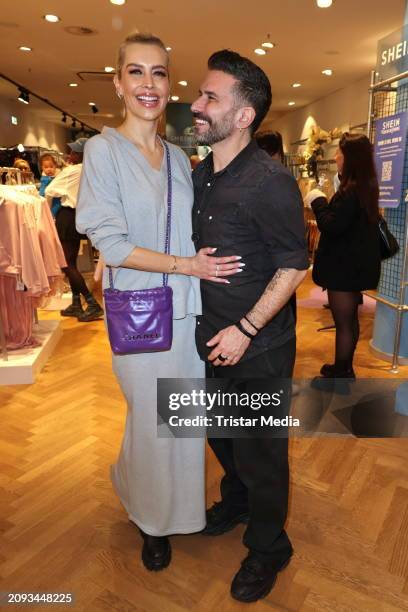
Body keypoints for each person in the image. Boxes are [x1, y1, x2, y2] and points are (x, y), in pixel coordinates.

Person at [76, 33, 242, 572]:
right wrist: (187, 265)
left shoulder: (178, 154)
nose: (149, 84)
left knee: (180, 418)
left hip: (187, 308)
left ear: (170, 83)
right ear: (119, 81)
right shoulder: (103, 150)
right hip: (141, 314)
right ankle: (150, 519)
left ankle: (175, 507)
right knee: (150, 417)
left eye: (160, 73)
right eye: (137, 72)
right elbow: (114, 244)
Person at [191, 50, 308, 603]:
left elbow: (293, 265)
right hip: (211, 336)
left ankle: (269, 546)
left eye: (210, 96)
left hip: (258, 346)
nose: (196, 103)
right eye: (200, 93)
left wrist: (247, 328)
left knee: (263, 451)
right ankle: (236, 501)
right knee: (221, 434)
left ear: (243, 116)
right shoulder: (201, 173)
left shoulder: (270, 181)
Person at [308, 133, 381, 378]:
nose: (336, 157)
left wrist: (318, 202)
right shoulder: (365, 186)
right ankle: (345, 365)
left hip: (344, 268)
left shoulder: (351, 191)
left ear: (350, 158)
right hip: (354, 265)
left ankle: (342, 370)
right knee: (350, 320)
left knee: (344, 322)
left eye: (339, 153)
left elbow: (332, 225)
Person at [45, 138, 104, 321]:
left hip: (67, 217)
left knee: (66, 264)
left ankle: (91, 303)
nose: (70, 155)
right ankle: (76, 303)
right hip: (79, 217)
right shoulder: (92, 171)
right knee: (71, 262)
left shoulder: (71, 171)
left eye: (74, 152)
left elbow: (50, 190)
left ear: (81, 155)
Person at [38, 154, 62, 218]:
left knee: (57, 205)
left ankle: (52, 216)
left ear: (55, 166)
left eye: (51, 167)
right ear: (42, 168)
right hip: (48, 198)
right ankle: (50, 217)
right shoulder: (44, 178)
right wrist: (42, 196)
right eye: (46, 167)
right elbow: (42, 191)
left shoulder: (59, 175)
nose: (49, 169)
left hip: (57, 197)